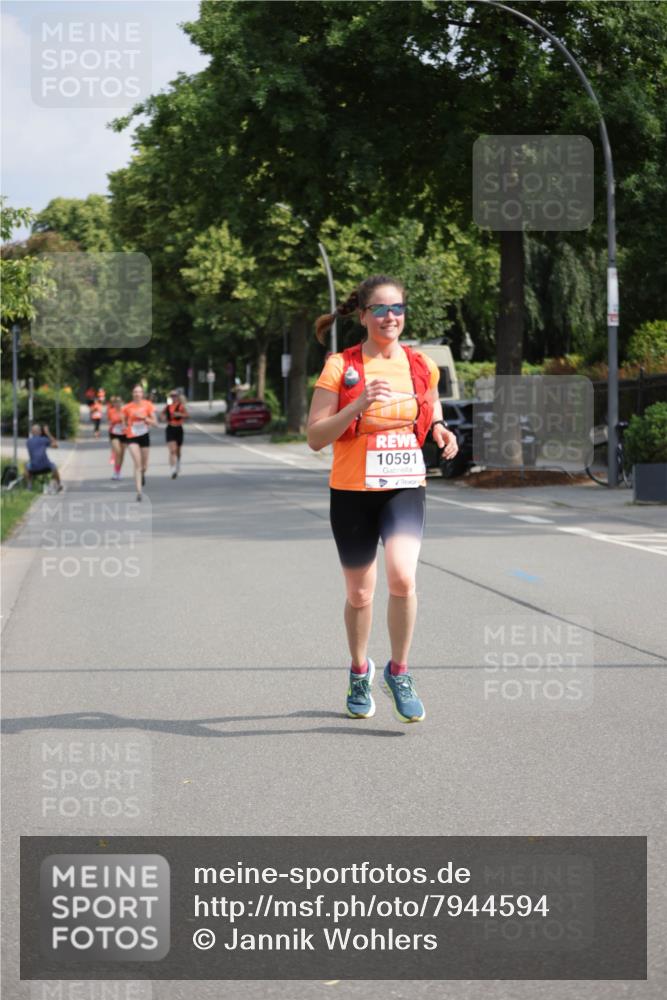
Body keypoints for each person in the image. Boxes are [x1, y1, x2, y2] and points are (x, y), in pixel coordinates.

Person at [307, 275, 459, 724]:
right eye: (381, 309)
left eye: (398, 308)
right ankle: (359, 671)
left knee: (403, 578)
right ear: (363, 315)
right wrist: (358, 405)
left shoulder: (421, 365)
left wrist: (438, 430)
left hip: (404, 484)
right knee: (359, 593)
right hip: (352, 489)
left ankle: (400, 671)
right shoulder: (341, 366)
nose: (391, 317)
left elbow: (431, 407)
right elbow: (315, 436)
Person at [122, 384, 157, 501]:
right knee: (137, 464)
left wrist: (144, 418)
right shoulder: (127, 407)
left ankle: (142, 474)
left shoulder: (148, 405)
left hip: (144, 436)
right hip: (132, 436)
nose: (137, 394)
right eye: (135, 392)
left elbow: (155, 423)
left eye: (139, 392)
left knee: (144, 465)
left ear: (142, 394)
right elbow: (123, 423)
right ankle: (139, 492)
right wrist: (124, 427)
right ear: (132, 394)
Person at [160, 389, 190, 478]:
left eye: (175, 395)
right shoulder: (168, 407)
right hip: (170, 428)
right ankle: (172, 469)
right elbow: (162, 415)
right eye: (172, 396)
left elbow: (187, 415)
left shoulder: (181, 406)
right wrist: (163, 418)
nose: (173, 397)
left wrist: (179, 415)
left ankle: (178, 462)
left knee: (178, 450)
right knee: (172, 450)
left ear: (178, 397)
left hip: (179, 429)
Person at [25, 423, 63, 492]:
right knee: (54, 466)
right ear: (40, 432)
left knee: (27, 466)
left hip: (33, 468)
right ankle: (58, 484)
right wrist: (47, 433)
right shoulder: (44, 440)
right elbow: (56, 445)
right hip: (46, 466)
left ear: (32, 432)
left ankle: (29, 485)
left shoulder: (28, 442)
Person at [107, 396, 127, 481]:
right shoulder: (111, 411)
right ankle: (115, 472)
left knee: (122, 454)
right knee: (118, 452)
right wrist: (117, 420)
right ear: (114, 403)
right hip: (114, 433)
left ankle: (118, 471)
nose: (117, 403)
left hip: (124, 433)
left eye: (119, 402)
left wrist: (124, 421)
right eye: (116, 402)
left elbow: (129, 421)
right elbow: (110, 421)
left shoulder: (125, 411)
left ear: (122, 402)